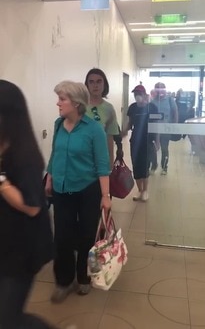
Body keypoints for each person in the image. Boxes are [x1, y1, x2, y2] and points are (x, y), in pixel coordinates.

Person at [45, 80, 111, 302]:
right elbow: (55, 153)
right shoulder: (58, 124)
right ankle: (63, 281)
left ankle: (83, 276)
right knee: (62, 238)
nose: (58, 103)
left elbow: (102, 165)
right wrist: (49, 178)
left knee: (85, 237)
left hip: (87, 190)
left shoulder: (94, 130)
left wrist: (105, 195)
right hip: (62, 190)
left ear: (76, 103)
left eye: (62, 99)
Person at [0, 80, 55, 329]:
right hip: (5, 242)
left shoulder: (25, 156)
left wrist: (1, 181)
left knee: (8, 319)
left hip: (21, 249)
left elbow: (32, 206)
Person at [122, 85, 158, 202]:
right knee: (136, 165)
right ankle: (139, 190)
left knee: (145, 165)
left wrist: (157, 141)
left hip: (147, 140)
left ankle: (145, 190)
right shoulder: (132, 108)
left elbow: (156, 126)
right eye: (135, 94)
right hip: (135, 140)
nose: (137, 96)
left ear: (144, 94)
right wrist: (122, 133)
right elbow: (129, 123)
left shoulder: (151, 107)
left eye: (139, 93)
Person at [84, 68, 122, 166]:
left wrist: (110, 166)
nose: (95, 85)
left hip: (100, 160)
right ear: (87, 85)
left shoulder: (109, 109)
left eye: (99, 81)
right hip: (81, 160)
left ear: (104, 84)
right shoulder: (79, 106)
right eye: (91, 82)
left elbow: (109, 139)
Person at [151, 82, 178, 175]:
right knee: (153, 148)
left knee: (164, 148)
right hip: (154, 129)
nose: (159, 90)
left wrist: (175, 126)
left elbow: (175, 112)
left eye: (161, 88)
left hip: (166, 128)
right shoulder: (152, 101)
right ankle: (154, 165)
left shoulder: (170, 100)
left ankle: (164, 167)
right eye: (157, 88)